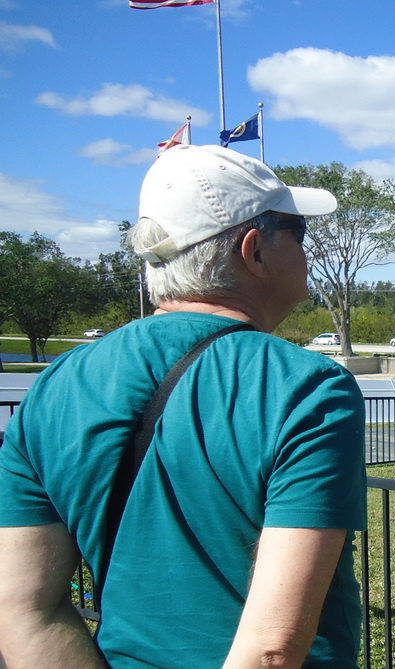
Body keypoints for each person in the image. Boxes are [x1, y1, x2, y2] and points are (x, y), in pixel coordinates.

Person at [0, 144, 365, 667]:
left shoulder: (56, 384)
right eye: (299, 232)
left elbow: (22, 609)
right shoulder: (308, 389)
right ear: (255, 250)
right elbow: (272, 649)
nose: (307, 251)